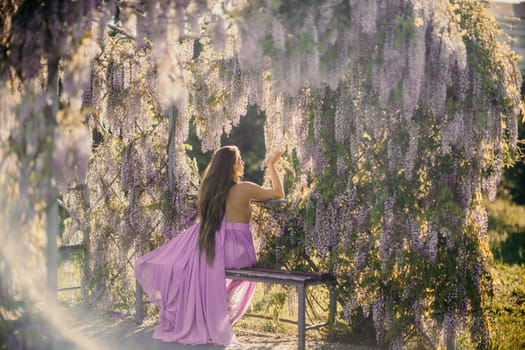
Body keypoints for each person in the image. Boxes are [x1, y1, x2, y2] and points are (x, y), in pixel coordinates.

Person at [135, 145, 284, 346]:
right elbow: (278, 193)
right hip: (238, 252)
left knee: (190, 263)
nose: (242, 163)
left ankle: (214, 308)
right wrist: (272, 165)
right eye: (239, 160)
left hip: (213, 247)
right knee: (237, 267)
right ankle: (222, 307)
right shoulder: (244, 188)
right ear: (231, 166)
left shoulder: (209, 189)